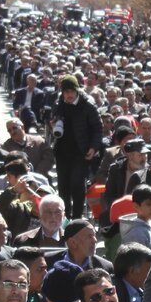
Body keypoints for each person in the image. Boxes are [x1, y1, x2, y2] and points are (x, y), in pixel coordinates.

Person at [48, 74, 102, 218]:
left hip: (81, 151)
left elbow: (97, 128)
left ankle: (77, 218)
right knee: (63, 186)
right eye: (66, 92)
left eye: (71, 91)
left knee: (77, 184)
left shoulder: (88, 106)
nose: (69, 94)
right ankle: (65, 217)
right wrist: (53, 125)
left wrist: (93, 147)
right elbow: (52, 123)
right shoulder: (58, 104)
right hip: (62, 151)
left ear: (77, 91)